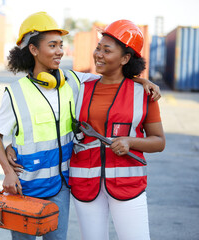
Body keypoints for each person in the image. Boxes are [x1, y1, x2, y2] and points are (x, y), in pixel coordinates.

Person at [0, 12, 160, 240]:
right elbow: (3, 134)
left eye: (61, 45)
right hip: (39, 184)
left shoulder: (72, 81)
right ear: (33, 50)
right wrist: (10, 160)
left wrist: (142, 80)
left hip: (72, 185)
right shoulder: (26, 91)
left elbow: (115, 80)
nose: (60, 51)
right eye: (52, 45)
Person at [69, 20, 166, 240]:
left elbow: (159, 142)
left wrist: (131, 142)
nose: (98, 55)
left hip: (128, 184)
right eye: (98, 48)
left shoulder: (144, 94)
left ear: (125, 58)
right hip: (86, 183)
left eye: (107, 50)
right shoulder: (80, 88)